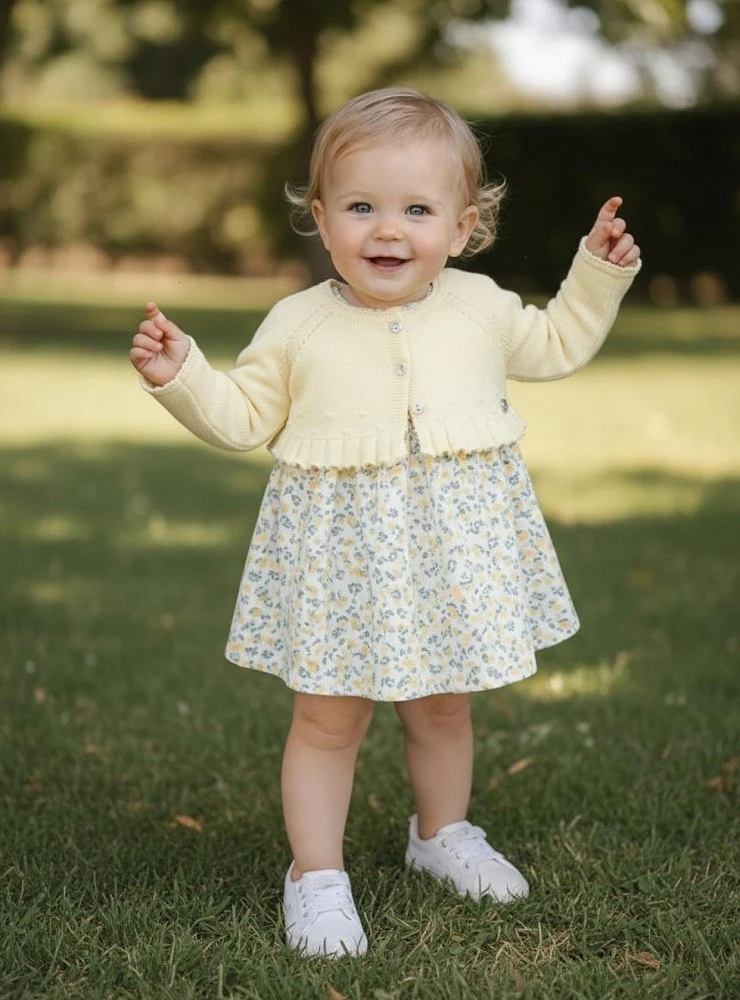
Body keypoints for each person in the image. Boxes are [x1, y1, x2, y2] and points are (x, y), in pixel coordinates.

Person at [130, 87, 641, 959]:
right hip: (343, 557)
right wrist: (185, 375)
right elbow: (246, 417)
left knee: (444, 706)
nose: (387, 230)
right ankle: (316, 874)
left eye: (416, 209)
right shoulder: (298, 323)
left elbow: (557, 343)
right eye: (361, 207)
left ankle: (440, 833)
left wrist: (596, 272)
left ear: (462, 224)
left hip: (451, 550)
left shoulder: (479, 307)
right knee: (330, 717)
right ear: (322, 220)